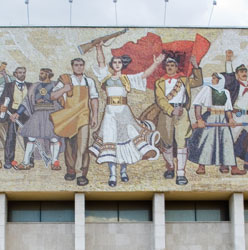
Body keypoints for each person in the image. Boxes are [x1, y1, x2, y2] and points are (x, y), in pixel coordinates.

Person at [89, 43, 164, 187]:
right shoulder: (106, 76)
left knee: (127, 140)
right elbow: (101, 62)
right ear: (112, 64)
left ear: (122, 65)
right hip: (110, 113)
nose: (117, 64)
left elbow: (144, 74)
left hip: (124, 112)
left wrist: (155, 64)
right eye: (115, 62)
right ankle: (112, 174)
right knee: (111, 140)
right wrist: (99, 48)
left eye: (119, 62)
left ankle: (123, 171)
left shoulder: (127, 79)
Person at [154, 55, 203, 185]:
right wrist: (171, 110)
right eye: (168, 65)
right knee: (167, 142)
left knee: (182, 142)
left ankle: (181, 173)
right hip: (167, 113)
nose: (170, 68)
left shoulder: (184, 80)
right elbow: (160, 99)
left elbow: (198, 81)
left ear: (176, 67)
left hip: (182, 112)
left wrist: (196, 66)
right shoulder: (160, 82)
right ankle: (170, 167)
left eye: (172, 65)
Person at [51, 58, 99, 186]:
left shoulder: (89, 81)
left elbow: (94, 99)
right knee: (70, 145)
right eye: (76, 65)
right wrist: (64, 89)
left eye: (81, 65)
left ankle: (80, 173)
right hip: (69, 117)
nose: (79, 67)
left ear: (84, 66)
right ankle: (71, 170)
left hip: (84, 116)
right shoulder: (66, 79)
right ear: (72, 66)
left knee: (83, 146)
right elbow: (53, 96)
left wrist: (94, 116)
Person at [188, 72, 246, 176]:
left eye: (215, 78)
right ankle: (201, 166)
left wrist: (231, 119)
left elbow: (228, 109)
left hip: (223, 119)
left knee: (227, 142)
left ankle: (233, 167)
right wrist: (199, 119)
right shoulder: (207, 89)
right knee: (206, 141)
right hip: (210, 118)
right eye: (212, 78)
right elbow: (198, 105)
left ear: (220, 80)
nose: (212, 80)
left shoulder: (226, 92)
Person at [11, 68, 63, 170]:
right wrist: (18, 113)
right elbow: (26, 101)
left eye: (42, 73)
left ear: (48, 74)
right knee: (31, 138)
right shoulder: (35, 86)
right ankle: (25, 162)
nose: (40, 75)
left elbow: (61, 98)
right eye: (40, 73)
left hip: (51, 114)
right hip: (37, 114)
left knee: (54, 138)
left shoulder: (56, 85)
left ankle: (54, 162)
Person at [0, 66, 32, 169]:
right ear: (15, 74)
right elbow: (1, 101)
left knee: (30, 137)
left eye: (23, 72)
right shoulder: (9, 86)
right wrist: (2, 107)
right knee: (11, 137)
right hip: (12, 114)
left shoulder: (30, 85)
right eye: (19, 72)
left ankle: (29, 160)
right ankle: (8, 161)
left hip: (27, 114)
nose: (22, 74)